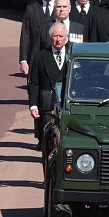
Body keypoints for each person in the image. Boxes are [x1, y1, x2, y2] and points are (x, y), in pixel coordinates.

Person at [28, 22, 68, 153]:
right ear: (51, 38)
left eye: (61, 36)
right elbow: (33, 83)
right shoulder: (40, 56)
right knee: (47, 141)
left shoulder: (72, 55)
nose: (58, 39)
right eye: (55, 36)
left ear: (66, 37)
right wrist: (33, 105)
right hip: (47, 104)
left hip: (66, 103)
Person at [19, 0, 56, 75]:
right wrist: (23, 60)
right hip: (34, 60)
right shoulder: (31, 9)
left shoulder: (61, 9)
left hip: (55, 61)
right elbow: (25, 35)